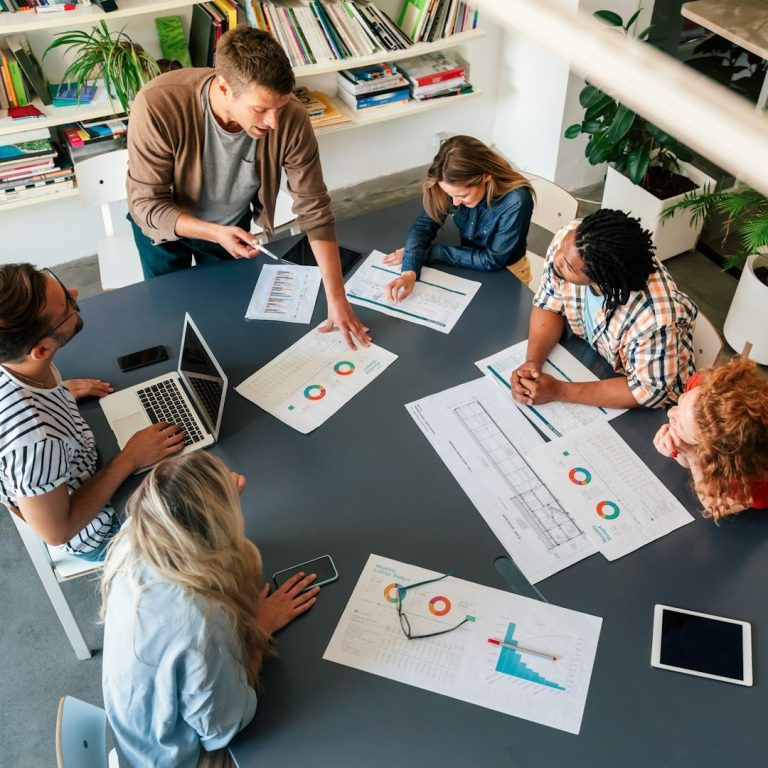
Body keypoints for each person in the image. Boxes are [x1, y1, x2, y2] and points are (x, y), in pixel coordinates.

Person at [127, 25, 369, 349]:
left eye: (280, 107)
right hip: (165, 232)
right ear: (224, 87)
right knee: (172, 320)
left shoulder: (290, 118)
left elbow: (314, 208)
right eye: (260, 109)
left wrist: (336, 297)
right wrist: (213, 232)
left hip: (232, 227)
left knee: (230, 318)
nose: (274, 122)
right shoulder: (158, 103)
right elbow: (146, 204)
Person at [101, 452, 319, 768]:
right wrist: (260, 630)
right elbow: (224, 728)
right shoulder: (200, 621)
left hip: (136, 737)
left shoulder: (134, 533)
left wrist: (214, 500)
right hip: (178, 759)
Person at [0, 264, 184, 560]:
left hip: (80, 459)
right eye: (67, 308)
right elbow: (57, 532)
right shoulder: (34, 443)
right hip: (101, 528)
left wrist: (57, 392)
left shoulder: (22, 366)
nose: (75, 293)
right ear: (41, 351)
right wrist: (130, 458)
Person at [511, 209, 697, 410]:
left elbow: (648, 391)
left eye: (569, 267)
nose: (557, 258)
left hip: (658, 404)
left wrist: (559, 391)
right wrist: (532, 363)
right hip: (597, 362)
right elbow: (550, 305)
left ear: (602, 281)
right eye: (563, 247)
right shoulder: (576, 241)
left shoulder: (655, 320)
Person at [382, 135, 534, 302]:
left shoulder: (517, 201)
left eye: (462, 195)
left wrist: (425, 253)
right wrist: (409, 270)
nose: (454, 202)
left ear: (485, 176)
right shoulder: (449, 181)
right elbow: (424, 225)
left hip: (507, 273)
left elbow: (492, 260)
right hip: (466, 261)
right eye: (450, 195)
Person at [654, 356, 768, 520]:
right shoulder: (702, 387)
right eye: (682, 401)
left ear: (713, 450)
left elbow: (716, 505)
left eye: (679, 422)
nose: (670, 412)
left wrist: (693, 456)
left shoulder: (754, 485)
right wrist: (679, 446)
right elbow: (688, 459)